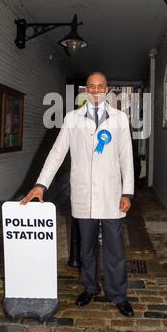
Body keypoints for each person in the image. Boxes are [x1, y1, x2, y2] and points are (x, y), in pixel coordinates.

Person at [21, 72, 134, 317]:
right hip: (83, 193)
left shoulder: (120, 119)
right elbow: (57, 153)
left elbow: (127, 158)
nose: (95, 91)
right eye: (91, 87)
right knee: (86, 248)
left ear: (107, 89)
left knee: (115, 249)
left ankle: (118, 295)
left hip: (112, 194)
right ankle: (90, 288)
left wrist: (128, 192)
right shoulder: (72, 118)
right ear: (86, 90)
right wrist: (41, 184)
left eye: (100, 86)